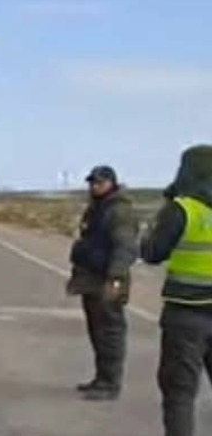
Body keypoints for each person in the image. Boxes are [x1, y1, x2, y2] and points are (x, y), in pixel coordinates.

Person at [138, 144, 212, 436]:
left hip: (187, 312)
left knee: (180, 390)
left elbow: (153, 253)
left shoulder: (182, 209)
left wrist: (149, 231)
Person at [66, 165, 139, 401]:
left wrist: (116, 278)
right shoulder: (98, 207)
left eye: (99, 182)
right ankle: (101, 378)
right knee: (97, 330)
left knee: (110, 332)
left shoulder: (119, 211)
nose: (94, 186)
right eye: (92, 182)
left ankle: (110, 383)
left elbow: (125, 246)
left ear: (111, 183)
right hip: (92, 277)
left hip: (107, 278)